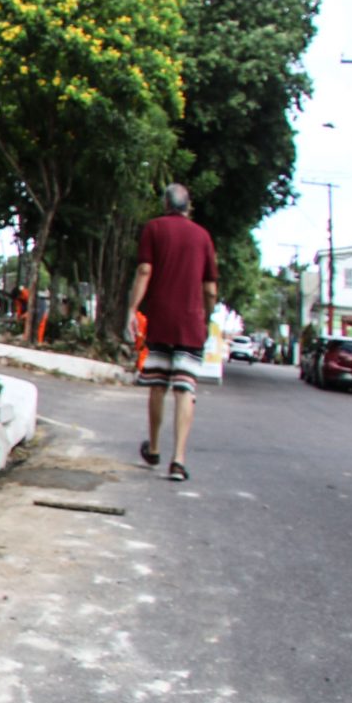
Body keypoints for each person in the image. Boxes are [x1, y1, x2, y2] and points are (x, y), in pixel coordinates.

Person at [125, 182, 219, 481]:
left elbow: (144, 271)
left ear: (165, 204)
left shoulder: (153, 229)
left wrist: (132, 308)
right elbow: (210, 289)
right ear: (188, 205)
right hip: (191, 323)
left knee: (157, 385)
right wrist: (206, 315)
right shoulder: (203, 236)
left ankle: (153, 448)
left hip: (161, 319)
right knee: (184, 389)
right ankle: (178, 460)